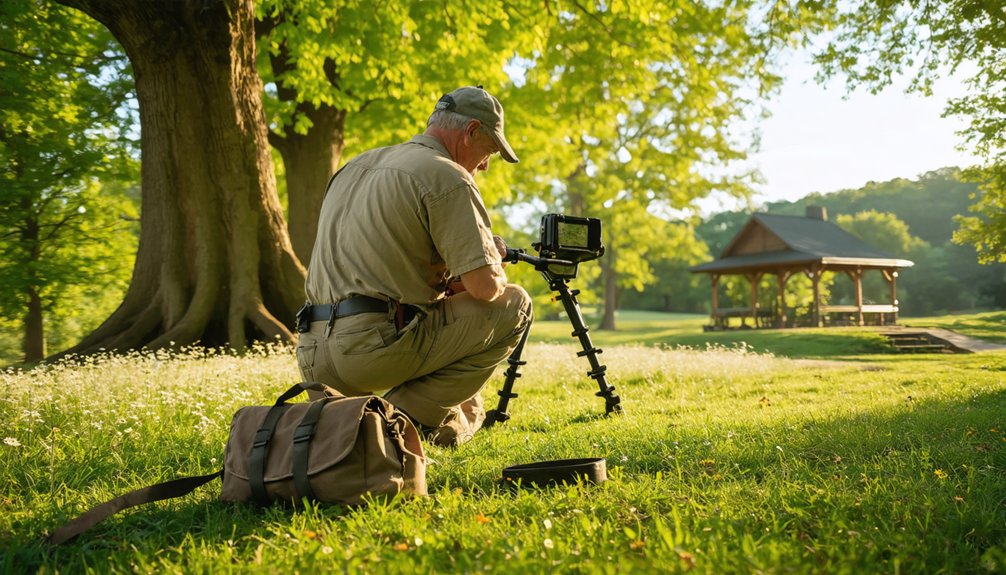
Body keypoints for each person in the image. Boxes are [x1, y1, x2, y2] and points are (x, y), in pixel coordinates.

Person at [296, 86, 532, 447]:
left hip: (313, 356)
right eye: (489, 151)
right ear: (470, 132)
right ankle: (395, 424)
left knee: (458, 379)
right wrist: (493, 256)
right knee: (516, 305)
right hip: (371, 351)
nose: (485, 164)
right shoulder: (448, 175)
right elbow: (486, 288)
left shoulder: (354, 166)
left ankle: (373, 425)